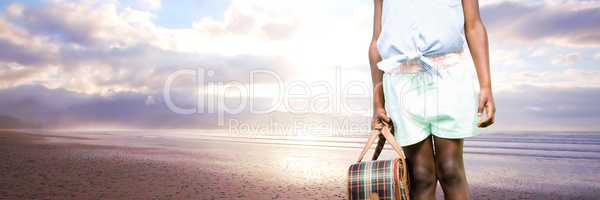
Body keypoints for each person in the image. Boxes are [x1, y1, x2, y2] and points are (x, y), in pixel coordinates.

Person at [368, 0, 495, 199]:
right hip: (401, 81)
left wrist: (486, 85)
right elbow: (377, 40)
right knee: (421, 175)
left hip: (449, 74)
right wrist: (377, 99)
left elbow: (473, 24)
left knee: (450, 169)